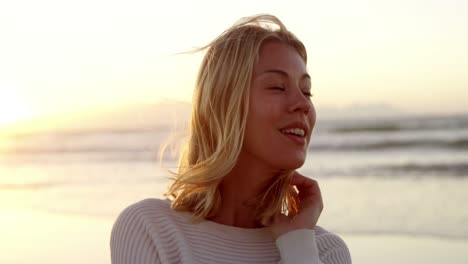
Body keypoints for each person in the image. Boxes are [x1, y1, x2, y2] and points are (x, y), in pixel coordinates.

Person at [110, 14, 351, 264]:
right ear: (225, 104)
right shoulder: (151, 229)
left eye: (307, 91)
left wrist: (298, 248)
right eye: (278, 87)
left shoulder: (324, 252)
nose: (303, 104)